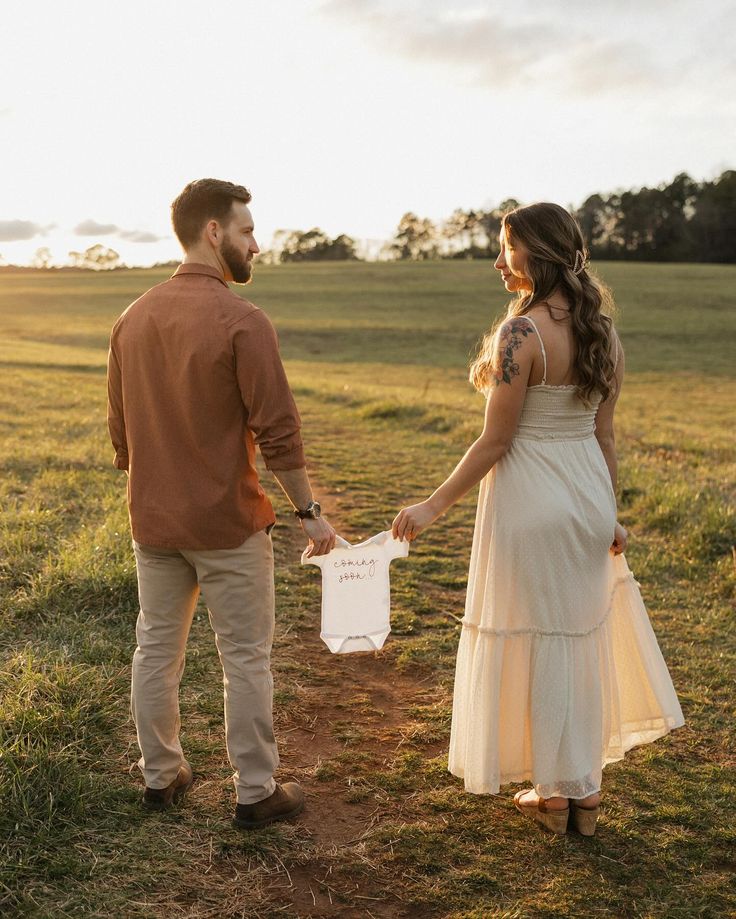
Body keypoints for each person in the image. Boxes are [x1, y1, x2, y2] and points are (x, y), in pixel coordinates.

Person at [392, 202, 684, 836]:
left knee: (535, 637)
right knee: (578, 640)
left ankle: (553, 796)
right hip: (584, 498)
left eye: (509, 248)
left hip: (529, 499)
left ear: (541, 254)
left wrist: (432, 505)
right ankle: (586, 797)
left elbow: (495, 442)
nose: (499, 261)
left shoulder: (520, 336)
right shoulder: (602, 332)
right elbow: (605, 437)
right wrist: (611, 514)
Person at [107, 178, 336, 829]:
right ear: (214, 232)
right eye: (246, 230)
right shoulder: (242, 320)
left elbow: (121, 434)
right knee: (243, 656)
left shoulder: (132, 317)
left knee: (156, 647)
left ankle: (160, 774)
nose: (255, 244)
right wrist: (308, 510)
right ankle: (255, 790)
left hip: (153, 522)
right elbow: (278, 430)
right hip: (227, 525)